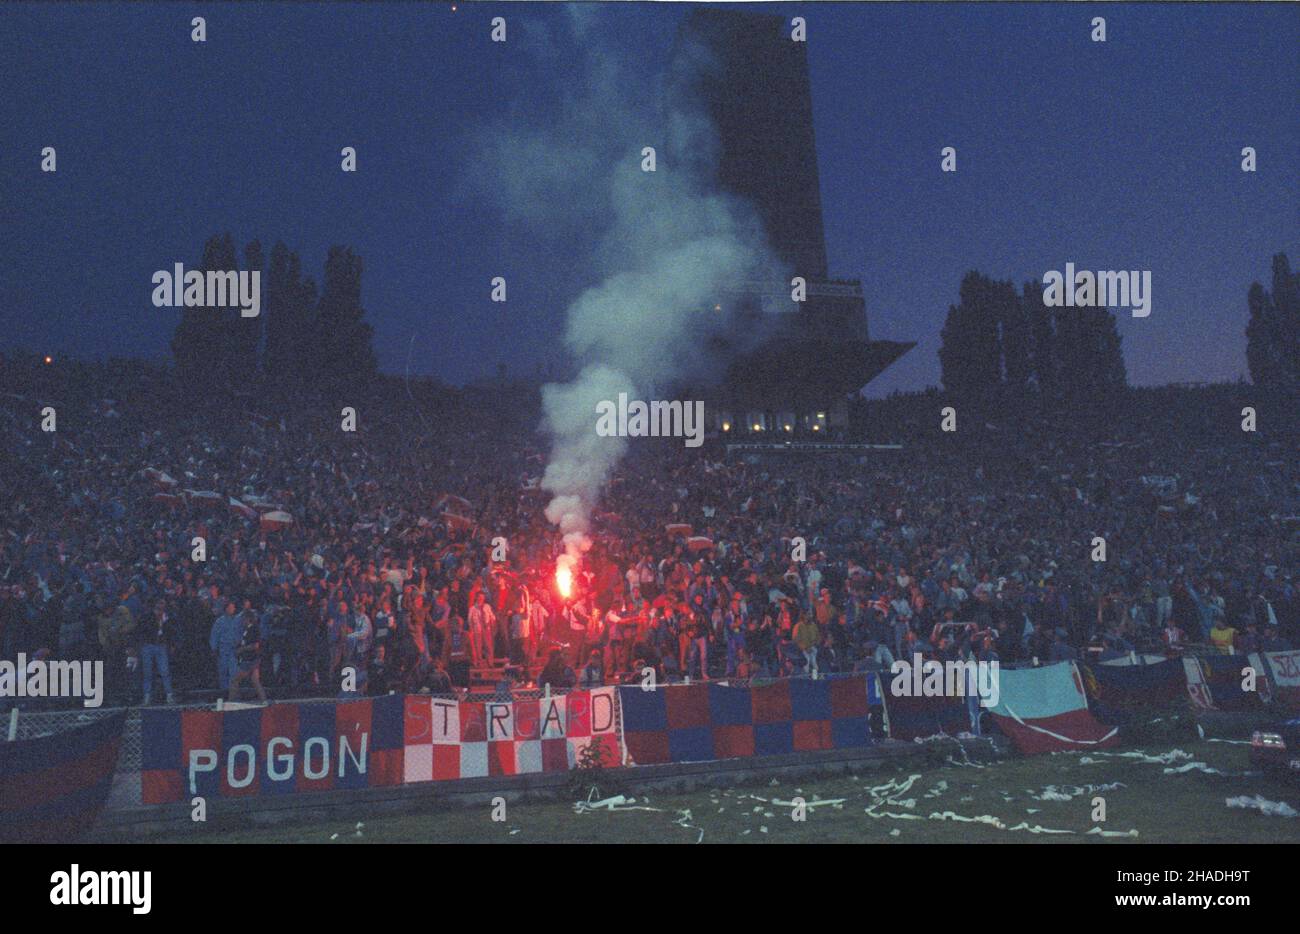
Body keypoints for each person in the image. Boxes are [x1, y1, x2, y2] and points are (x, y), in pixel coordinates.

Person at [140, 599, 176, 705]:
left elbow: (171, 631)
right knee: (147, 673)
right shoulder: (147, 616)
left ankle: (169, 695)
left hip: (161, 646)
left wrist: (172, 644)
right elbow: (142, 629)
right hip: (148, 645)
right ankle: (147, 697)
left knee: (165, 671)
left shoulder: (168, 617)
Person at [228, 613, 268, 703]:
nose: (242, 622)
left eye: (243, 619)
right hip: (253, 660)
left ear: (248, 619)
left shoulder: (253, 629)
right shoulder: (248, 630)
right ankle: (264, 701)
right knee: (255, 681)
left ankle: (231, 702)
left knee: (235, 680)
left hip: (249, 660)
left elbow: (255, 645)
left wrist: (241, 649)